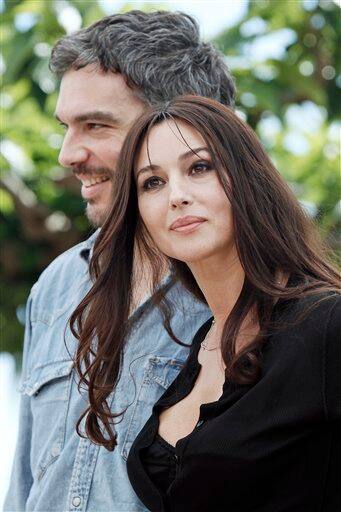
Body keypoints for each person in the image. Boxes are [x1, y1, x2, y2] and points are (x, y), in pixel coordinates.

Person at [4, 12, 236, 512]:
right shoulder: (60, 283)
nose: (68, 154)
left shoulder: (249, 289)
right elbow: (24, 485)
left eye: (95, 125)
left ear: (181, 125)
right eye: (66, 126)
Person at [72, 95, 341, 512]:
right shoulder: (197, 347)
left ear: (247, 177)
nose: (176, 196)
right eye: (152, 182)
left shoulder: (325, 324)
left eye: (199, 168)